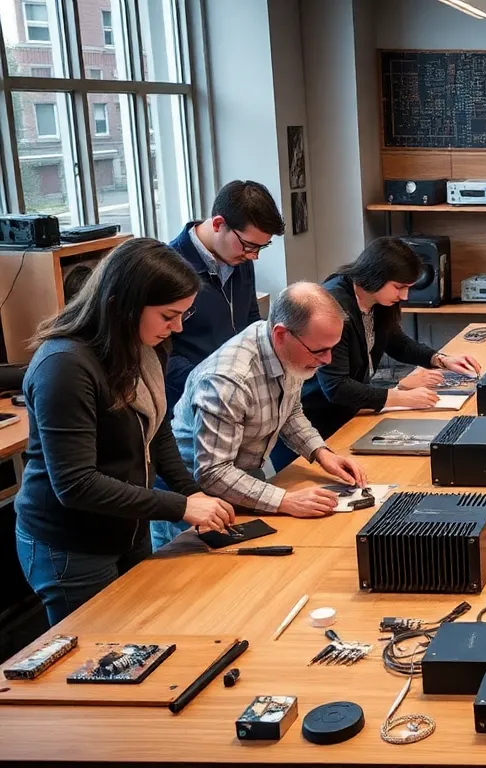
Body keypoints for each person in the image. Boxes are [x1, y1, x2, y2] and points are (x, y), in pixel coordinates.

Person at [14, 239, 235, 625]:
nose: (177, 328)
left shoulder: (141, 346)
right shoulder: (64, 366)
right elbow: (76, 484)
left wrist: (191, 491)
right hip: (72, 543)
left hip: (128, 525)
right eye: (168, 315)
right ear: (123, 304)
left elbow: (158, 429)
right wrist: (180, 507)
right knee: (95, 655)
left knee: (140, 632)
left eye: (183, 314)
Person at [272, 237, 481, 470]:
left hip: (349, 415)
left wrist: (440, 359)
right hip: (315, 424)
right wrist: (400, 397)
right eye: (399, 287)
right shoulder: (336, 307)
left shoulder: (378, 303)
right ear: (376, 275)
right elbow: (336, 387)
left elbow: (396, 341)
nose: (404, 297)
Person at [170, 283, 368, 525]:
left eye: (332, 349)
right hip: (195, 499)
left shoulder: (287, 351)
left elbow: (289, 411)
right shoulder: (228, 381)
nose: (326, 360)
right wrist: (286, 501)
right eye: (319, 350)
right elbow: (213, 472)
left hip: (242, 480)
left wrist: (320, 452)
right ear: (281, 334)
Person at [165, 180, 285, 410]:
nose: (254, 256)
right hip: (191, 405)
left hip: (238, 399)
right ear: (219, 224)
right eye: (249, 245)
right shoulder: (170, 268)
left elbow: (250, 323)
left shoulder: (240, 260)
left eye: (261, 247)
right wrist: (214, 385)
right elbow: (164, 355)